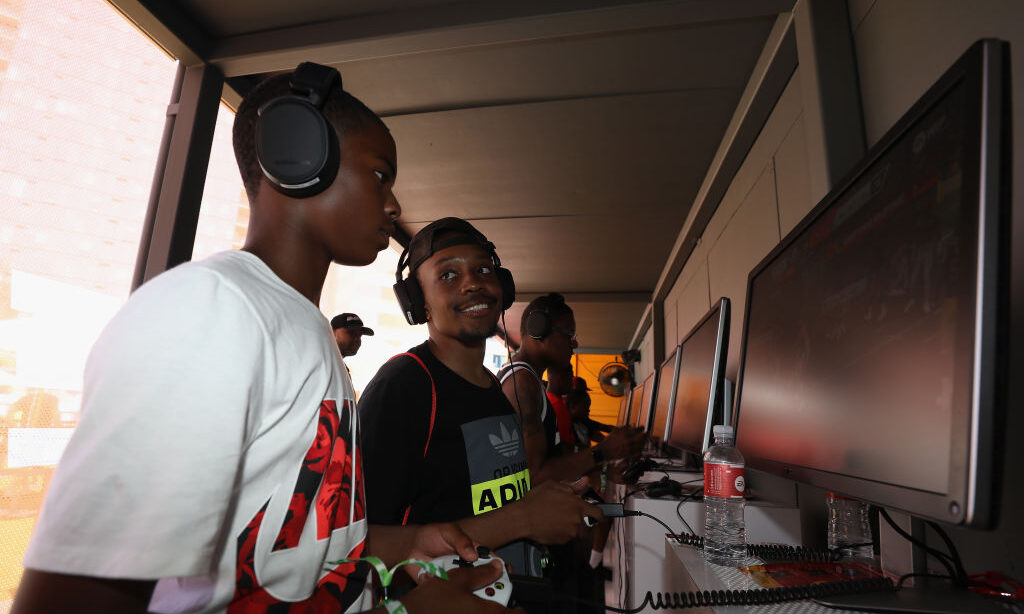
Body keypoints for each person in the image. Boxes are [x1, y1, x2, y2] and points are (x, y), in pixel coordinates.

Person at [13, 64, 510, 614]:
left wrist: (406, 545)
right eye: (379, 175)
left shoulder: (302, 330)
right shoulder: (213, 312)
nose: (392, 206)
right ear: (299, 156)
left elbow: (293, 547)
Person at [358, 218, 601, 584]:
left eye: (483, 270)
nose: (472, 282)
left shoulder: (494, 389)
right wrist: (524, 518)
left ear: (502, 287)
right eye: (448, 276)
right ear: (418, 302)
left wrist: (549, 501)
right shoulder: (403, 387)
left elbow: (486, 497)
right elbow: (361, 543)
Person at [500, 294, 643, 485]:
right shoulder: (522, 383)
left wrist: (602, 467)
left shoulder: (528, 380)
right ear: (539, 331)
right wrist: (602, 452)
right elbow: (531, 476)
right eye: (570, 335)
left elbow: (554, 453)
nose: (574, 344)